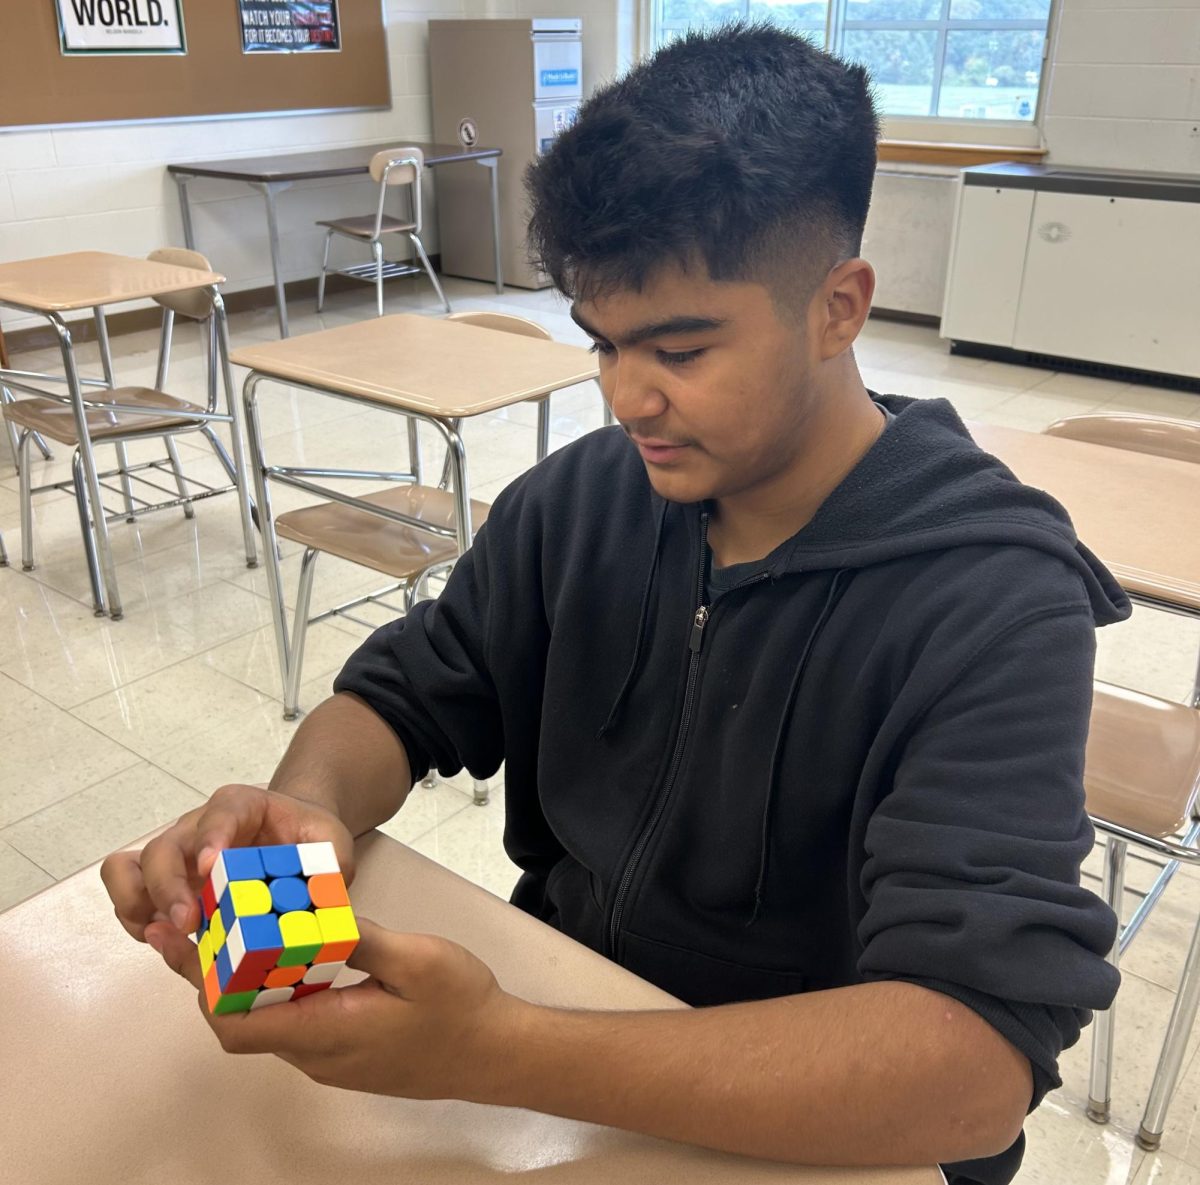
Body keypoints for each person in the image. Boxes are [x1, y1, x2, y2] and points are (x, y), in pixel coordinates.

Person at [101, 23, 1128, 1185]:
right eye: (601, 344)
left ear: (839, 306)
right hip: (570, 1034)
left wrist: (496, 1051)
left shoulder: (994, 600)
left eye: (681, 349)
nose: (628, 397)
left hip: (836, 1133)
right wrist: (306, 817)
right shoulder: (583, 500)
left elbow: (971, 1067)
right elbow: (404, 695)